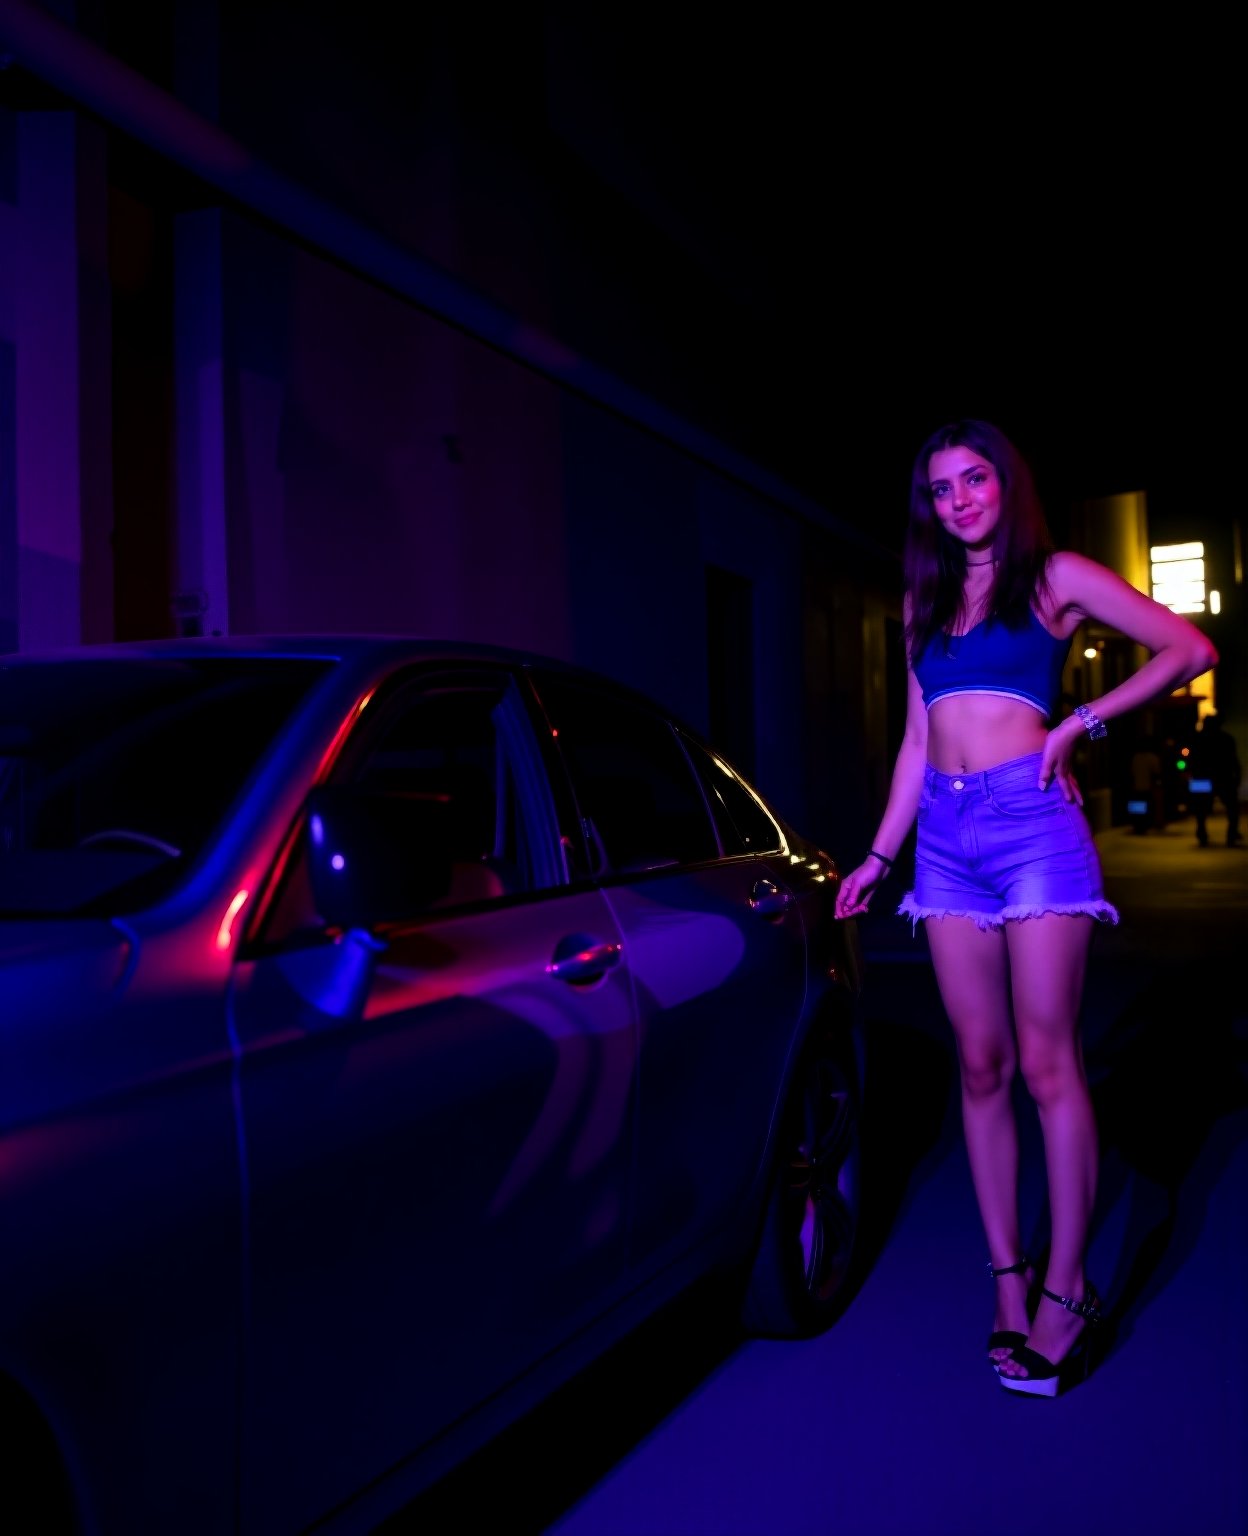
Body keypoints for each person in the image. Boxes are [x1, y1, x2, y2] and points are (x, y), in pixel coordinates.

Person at [835, 419, 1217, 1397]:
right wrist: (881, 854)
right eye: (940, 488)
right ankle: (1008, 1284)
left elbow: (1187, 645)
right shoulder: (925, 602)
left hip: (1033, 829)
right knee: (979, 1063)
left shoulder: (1057, 579)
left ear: (1007, 485)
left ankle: (1068, 1287)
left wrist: (1082, 725)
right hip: (944, 841)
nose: (959, 499)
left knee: (1050, 1060)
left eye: (975, 480)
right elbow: (918, 743)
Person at [1188, 712, 1242, 847]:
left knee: (1201, 807)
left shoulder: (1197, 739)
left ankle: (1202, 832)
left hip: (1201, 777)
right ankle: (1231, 834)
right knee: (1232, 808)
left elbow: (1191, 760)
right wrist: (1237, 776)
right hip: (1223, 777)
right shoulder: (1226, 739)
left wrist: (1191, 775)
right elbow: (1233, 760)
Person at [1127, 734, 1163, 833]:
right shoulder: (1152, 758)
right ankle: (1143, 826)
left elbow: (1132, 773)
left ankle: (1138, 825)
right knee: (1146, 807)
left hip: (1138, 787)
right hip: (1147, 788)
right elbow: (1156, 774)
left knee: (1138, 808)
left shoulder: (1136, 758)